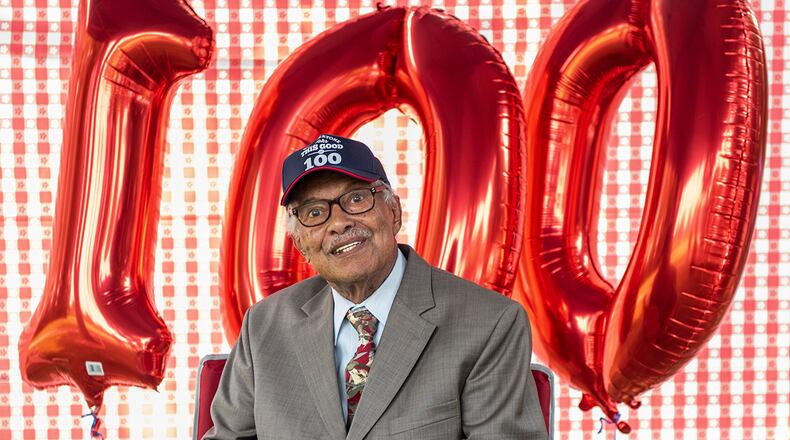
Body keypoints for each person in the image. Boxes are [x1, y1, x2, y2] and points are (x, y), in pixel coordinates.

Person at [204, 134, 548, 439]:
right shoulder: (262, 327)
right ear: (300, 245)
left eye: (356, 199)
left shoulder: (490, 323)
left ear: (394, 212)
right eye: (314, 213)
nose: (339, 223)